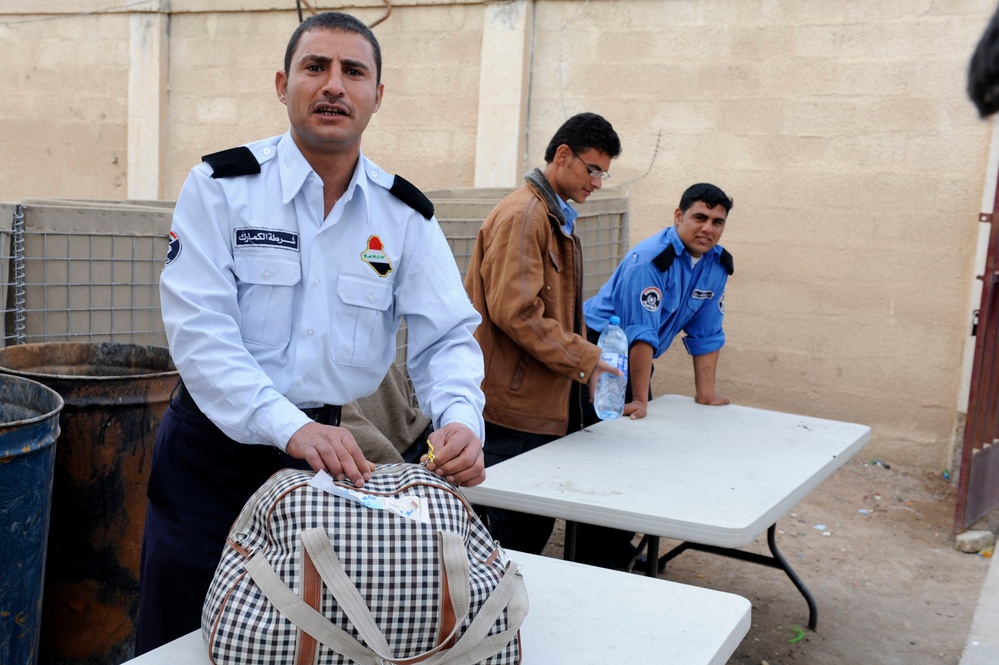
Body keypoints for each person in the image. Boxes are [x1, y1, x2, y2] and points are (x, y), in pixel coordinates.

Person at [135, 11, 486, 654]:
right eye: (315, 67)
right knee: (181, 640)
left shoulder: (402, 216)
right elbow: (201, 333)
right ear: (282, 83)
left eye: (353, 71)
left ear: (378, 95)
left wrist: (460, 417)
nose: (334, 85)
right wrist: (287, 425)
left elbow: (448, 336)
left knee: (308, 634)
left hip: (329, 464)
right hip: (213, 457)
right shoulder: (222, 188)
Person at [463, 112, 628, 568]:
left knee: (525, 537)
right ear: (562, 156)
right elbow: (516, 311)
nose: (597, 182)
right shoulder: (526, 214)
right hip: (512, 413)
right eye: (592, 169)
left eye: (603, 172)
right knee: (510, 544)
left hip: (538, 406)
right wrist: (588, 360)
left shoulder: (554, 216)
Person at [583, 182, 735, 420]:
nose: (708, 228)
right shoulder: (651, 260)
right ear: (678, 216)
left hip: (635, 354)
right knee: (599, 434)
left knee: (635, 432)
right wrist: (639, 400)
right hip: (599, 347)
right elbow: (641, 332)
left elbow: (707, 333)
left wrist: (706, 395)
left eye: (717, 222)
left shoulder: (716, 266)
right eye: (700, 218)